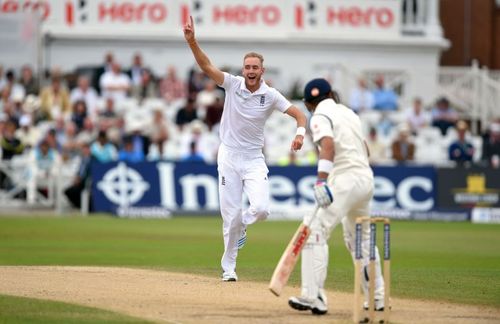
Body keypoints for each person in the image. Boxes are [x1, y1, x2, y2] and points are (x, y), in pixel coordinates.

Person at [183, 16, 307, 282]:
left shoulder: (270, 95)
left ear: (262, 71)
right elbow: (206, 66)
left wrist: (300, 134)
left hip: (253, 159)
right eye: (247, 66)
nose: (250, 70)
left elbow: (299, 114)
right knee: (230, 216)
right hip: (228, 155)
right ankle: (229, 268)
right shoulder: (233, 84)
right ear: (244, 69)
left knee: (261, 209)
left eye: (255, 67)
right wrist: (193, 42)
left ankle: (242, 228)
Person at [288, 78, 385, 315]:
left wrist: (322, 180)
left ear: (309, 104)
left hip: (344, 179)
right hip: (365, 178)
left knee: (315, 229)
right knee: (360, 238)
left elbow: (328, 146)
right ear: (331, 93)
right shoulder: (349, 113)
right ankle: (377, 298)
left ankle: (313, 296)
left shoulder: (319, 115)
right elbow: (366, 149)